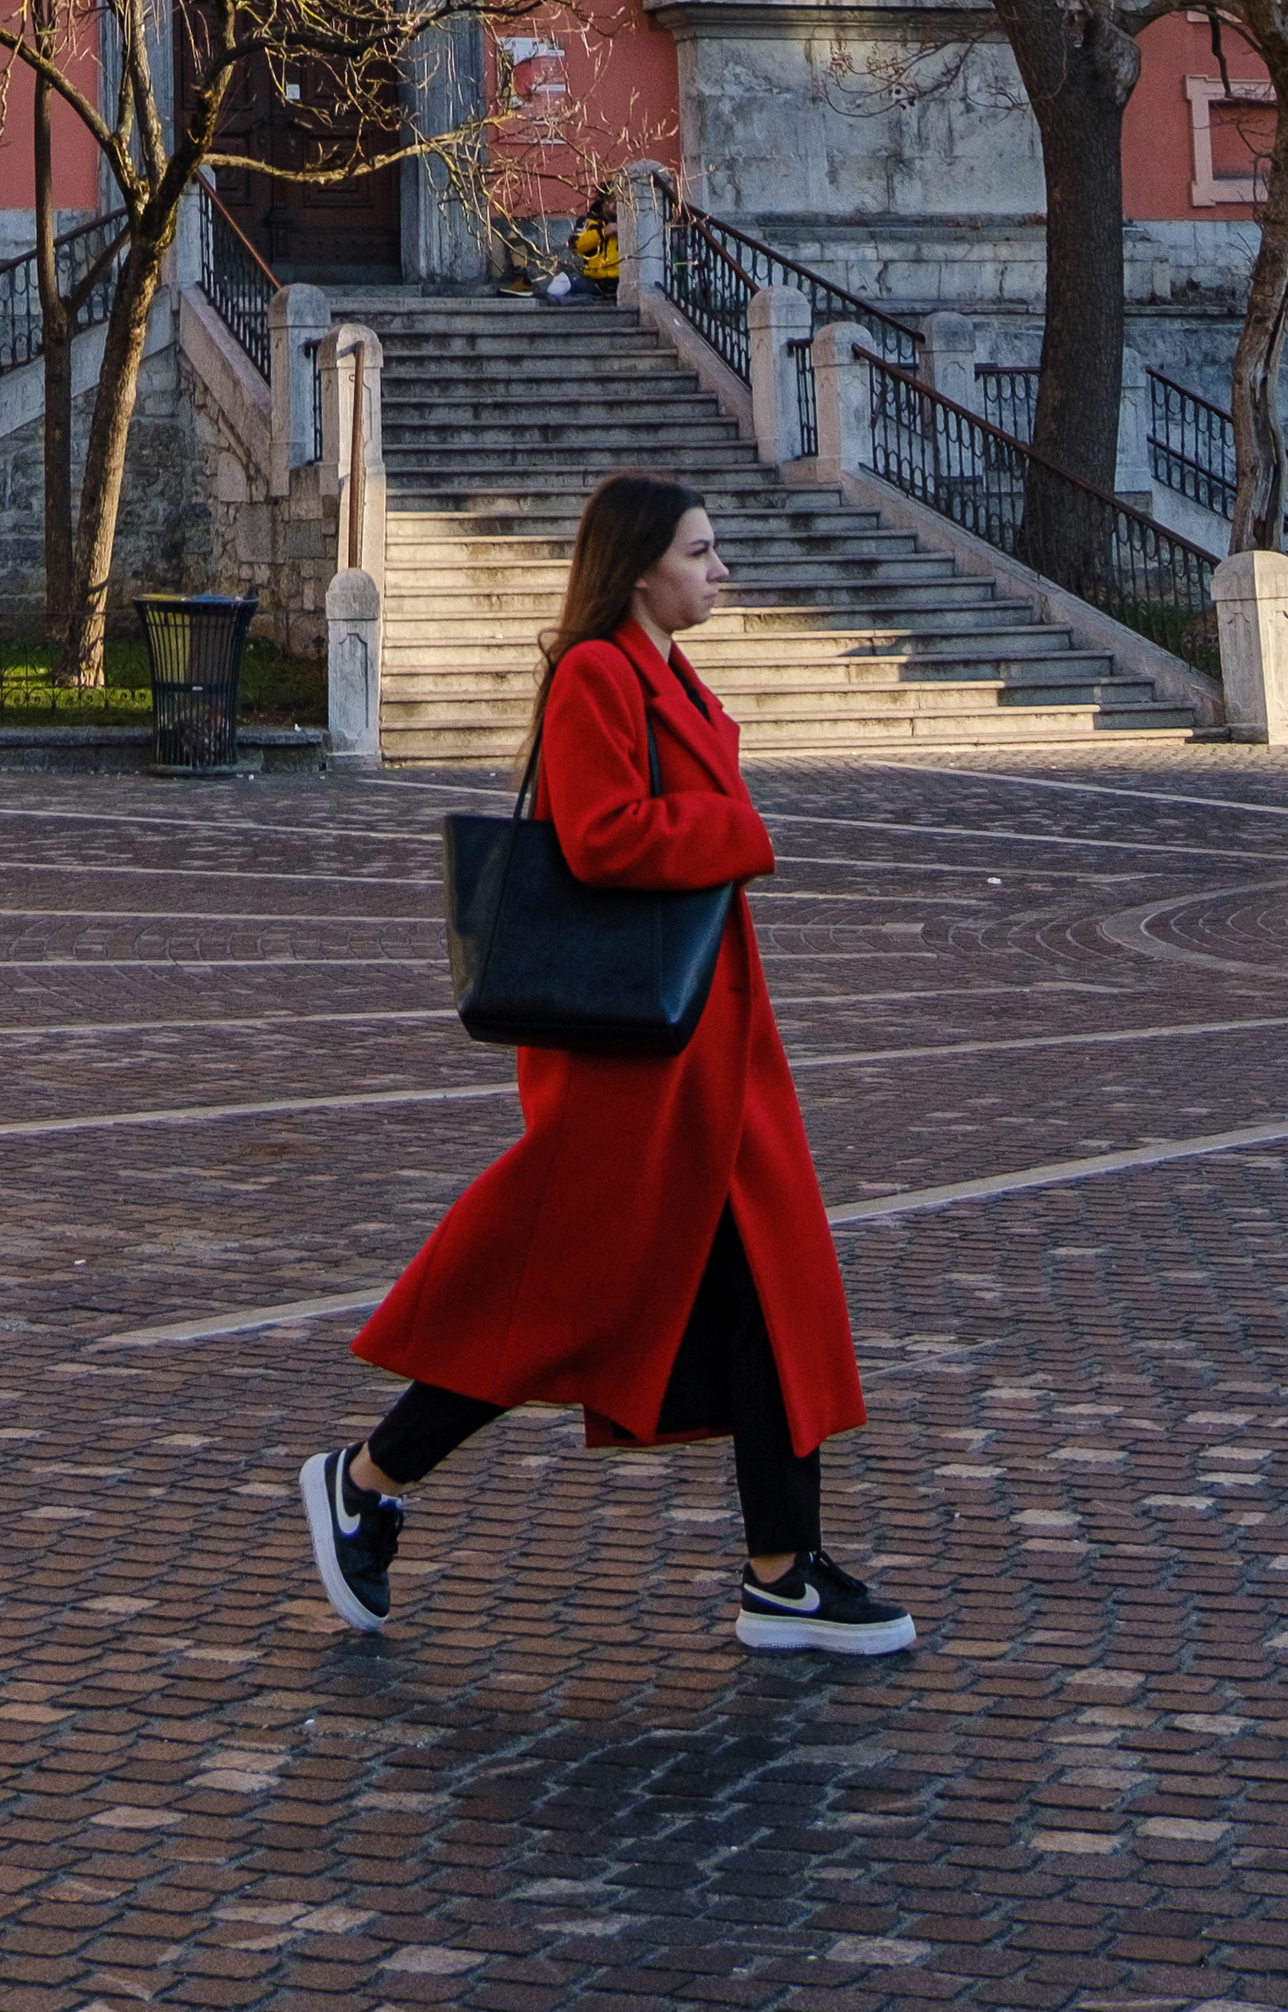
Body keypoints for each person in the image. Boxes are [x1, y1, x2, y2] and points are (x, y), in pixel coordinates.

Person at [300, 473, 908, 1658]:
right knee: (555, 1301)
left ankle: (782, 1571)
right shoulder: (597, 675)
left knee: (771, 1298)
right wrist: (741, 830)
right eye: (700, 550)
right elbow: (601, 837)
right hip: (637, 1062)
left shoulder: (666, 675)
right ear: (638, 570)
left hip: (710, 1054)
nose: (721, 570)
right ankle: (365, 1479)